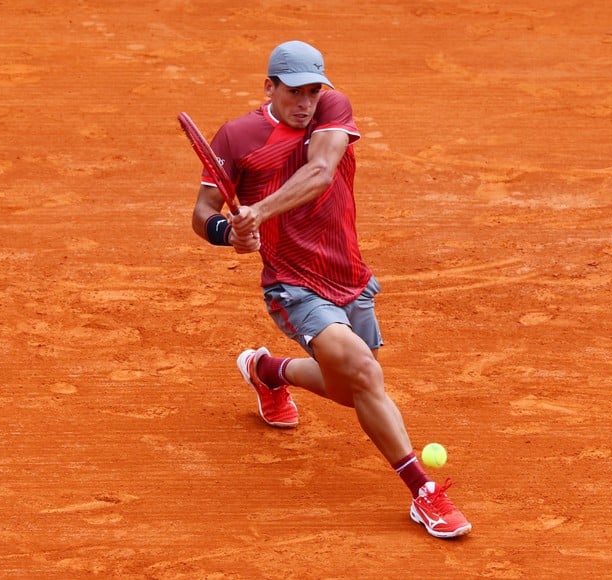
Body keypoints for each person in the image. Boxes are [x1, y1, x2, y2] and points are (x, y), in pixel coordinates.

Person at [190, 40, 471, 539]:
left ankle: (267, 370)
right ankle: (425, 493)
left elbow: (320, 172)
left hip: (349, 275)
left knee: (355, 388)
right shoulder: (237, 138)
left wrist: (259, 211)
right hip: (292, 284)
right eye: (295, 91)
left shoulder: (331, 110)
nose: (306, 102)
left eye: (314, 90)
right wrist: (227, 232)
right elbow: (203, 211)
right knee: (362, 373)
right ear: (269, 87)